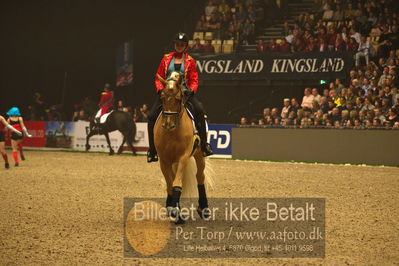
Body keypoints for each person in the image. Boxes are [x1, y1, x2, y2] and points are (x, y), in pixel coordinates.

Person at [147, 32, 213, 163]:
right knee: (151, 116)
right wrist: (160, 90)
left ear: (186, 46)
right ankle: (152, 150)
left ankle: (204, 145)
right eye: (177, 44)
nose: (179, 46)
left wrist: (191, 91)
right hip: (166, 94)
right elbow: (158, 77)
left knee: (199, 111)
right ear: (174, 45)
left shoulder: (190, 61)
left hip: (184, 94)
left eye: (182, 44)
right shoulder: (165, 59)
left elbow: (194, 79)